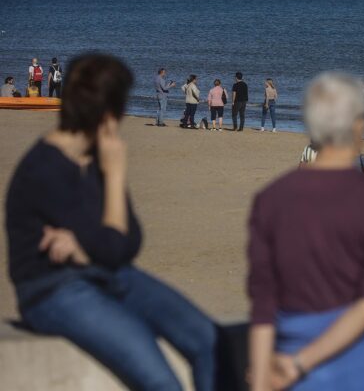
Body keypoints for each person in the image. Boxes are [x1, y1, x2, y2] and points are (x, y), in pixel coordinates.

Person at [4, 53, 217, 391]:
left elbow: (128, 241)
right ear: (108, 113)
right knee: (161, 383)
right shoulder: (43, 170)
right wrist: (116, 175)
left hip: (109, 273)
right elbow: (115, 244)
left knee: (209, 343)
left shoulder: (94, 157)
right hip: (53, 292)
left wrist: (86, 246)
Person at [247, 73, 364, 391]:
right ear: (358, 125)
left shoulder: (270, 200)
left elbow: (263, 303)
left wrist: (260, 379)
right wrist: (300, 364)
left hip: (296, 353)